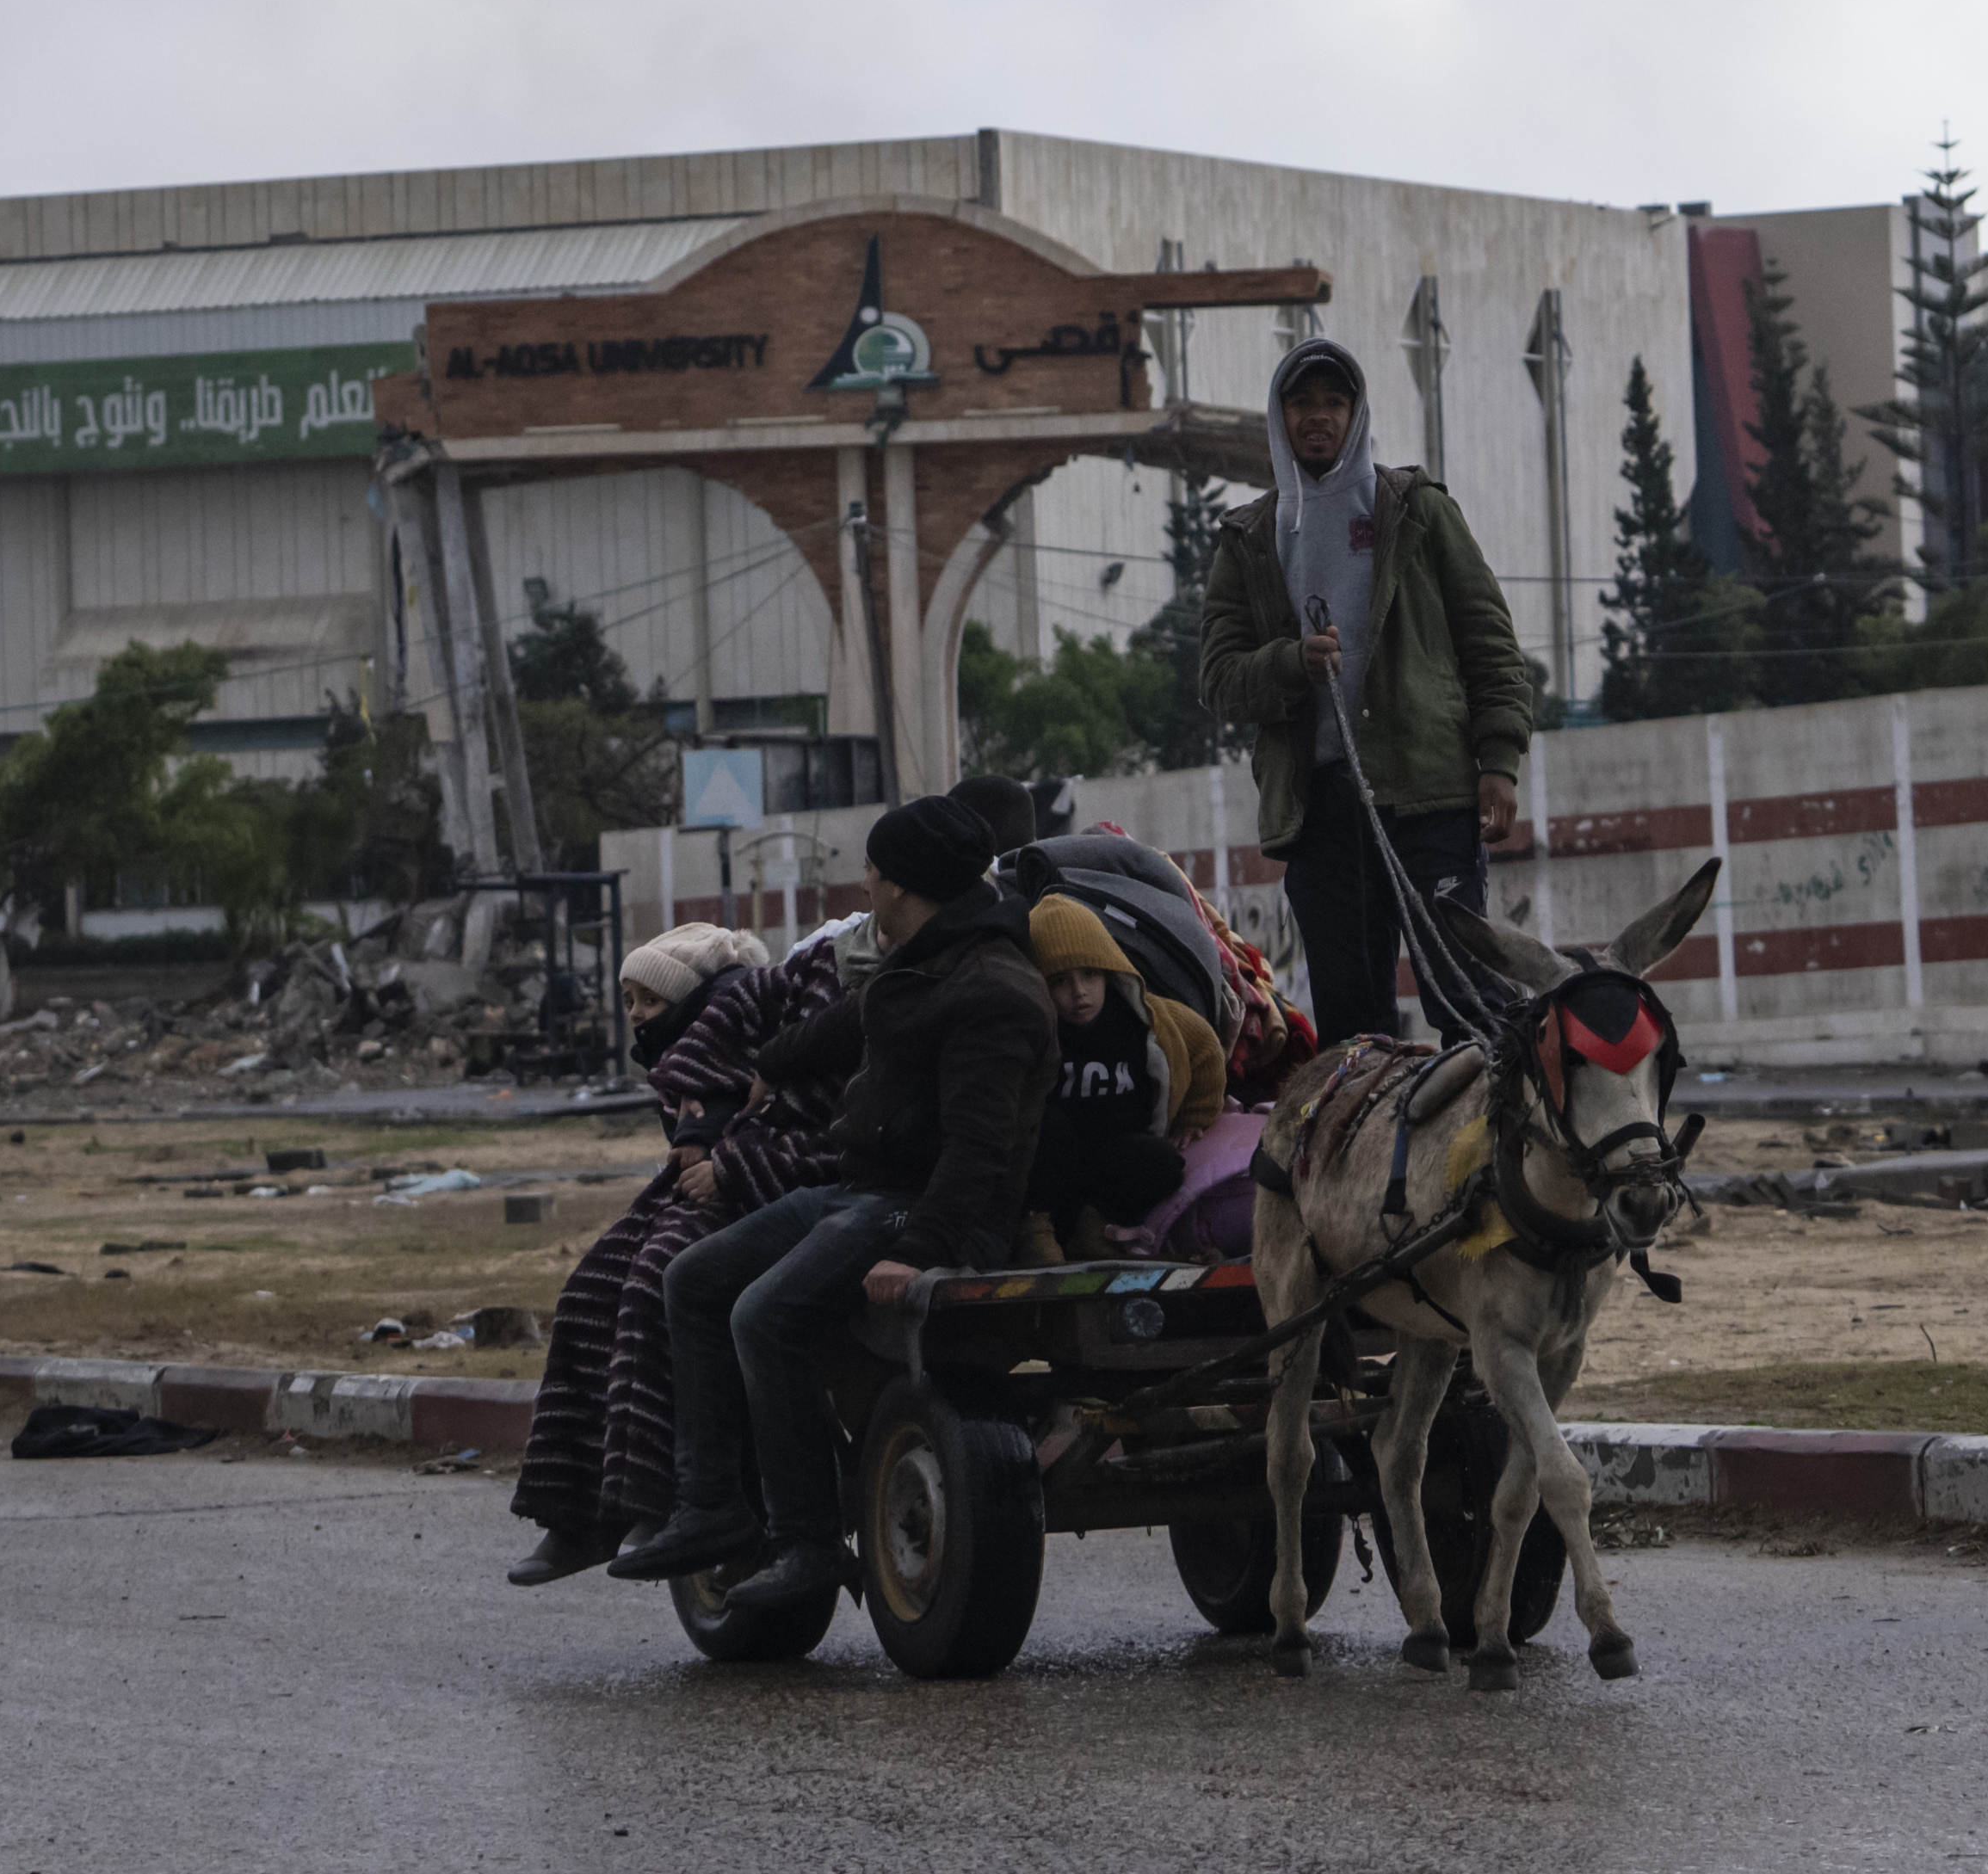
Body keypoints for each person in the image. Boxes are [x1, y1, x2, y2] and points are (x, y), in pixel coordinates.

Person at [606, 801, 1054, 1608]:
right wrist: (771, 1063)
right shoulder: (922, 962)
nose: (865, 883)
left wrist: (918, 1250)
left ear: (903, 884)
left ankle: (808, 1543)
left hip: (926, 1212)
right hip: (862, 1193)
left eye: (873, 870)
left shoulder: (993, 989)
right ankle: (711, 1506)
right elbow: (851, 1020)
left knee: (763, 1315)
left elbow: (978, 1152)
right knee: (692, 1278)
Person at [1194, 336, 1539, 1041]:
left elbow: (1490, 641)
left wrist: (1500, 760)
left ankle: (1502, 1117)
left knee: (1467, 1000)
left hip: (1429, 791)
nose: (1318, 416)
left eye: (1334, 401)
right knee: (1354, 1026)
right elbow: (1219, 679)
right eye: (1301, 402)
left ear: (1356, 414)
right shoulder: (1249, 537)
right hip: (1321, 810)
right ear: (1280, 415)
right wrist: (1290, 662)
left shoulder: (1416, 509)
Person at [501, 915, 841, 1587]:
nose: (636, 1015)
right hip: (712, 1191)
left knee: (657, 1277)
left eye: (650, 1000)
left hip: (764, 1193)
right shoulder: (688, 1056)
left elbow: (800, 1126)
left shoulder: (748, 1028)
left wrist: (727, 1161)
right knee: (588, 1288)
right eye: (630, 1001)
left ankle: (656, 1496)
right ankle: (578, 1512)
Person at [1017, 895, 1223, 1249]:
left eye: (1090, 974)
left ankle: (1094, 1225)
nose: (1079, 992)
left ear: (1109, 971)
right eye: (1060, 981)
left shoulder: (1140, 1017)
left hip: (1116, 1157)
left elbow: (1205, 1044)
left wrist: (1194, 1116)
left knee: (1162, 1163)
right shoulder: (1036, 1029)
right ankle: (1039, 1232)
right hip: (1055, 1165)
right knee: (1047, 1128)